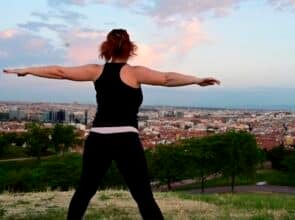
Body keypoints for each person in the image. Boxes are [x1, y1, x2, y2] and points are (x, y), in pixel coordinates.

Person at [3, 28, 220, 220]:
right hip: (126, 138)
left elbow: (60, 72)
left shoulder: (96, 71)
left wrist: (28, 69)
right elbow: (166, 78)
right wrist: (196, 79)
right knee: (143, 195)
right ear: (130, 49)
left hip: (98, 138)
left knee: (85, 191)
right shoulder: (135, 72)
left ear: (106, 48)